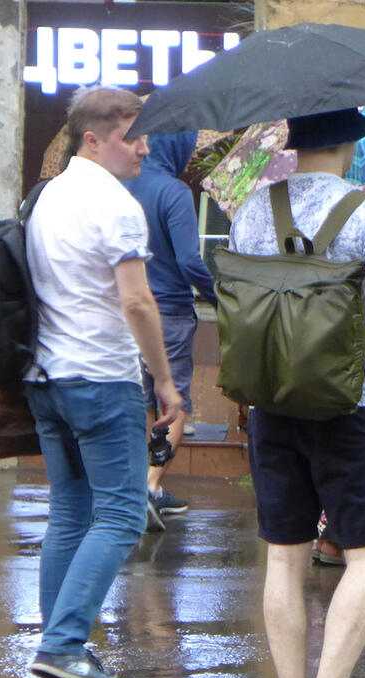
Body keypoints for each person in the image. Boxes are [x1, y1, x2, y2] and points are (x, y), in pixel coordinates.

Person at [228, 107, 365, 678]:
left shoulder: (251, 208)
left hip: (272, 402)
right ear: (351, 143)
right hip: (350, 405)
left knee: (286, 553)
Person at [24, 86, 182, 678]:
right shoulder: (115, 204)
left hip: (47, 377)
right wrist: (164, 382)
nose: (144, 149)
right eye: (131, 137)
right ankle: (64, 646)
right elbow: (137, 301)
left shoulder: (46, 195)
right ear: (93, 139)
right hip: (100, 377)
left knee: (70, 512)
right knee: (120, 514)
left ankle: (60, 648)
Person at [123, 131, 219, 530]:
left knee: (143, 403)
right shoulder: (174, 192)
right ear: (177, 147)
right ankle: (149, 485)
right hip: (169, 315)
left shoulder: (121, 185)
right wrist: (218, 297)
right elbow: (189, 261)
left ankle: (143, 488)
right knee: (174, 404)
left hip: (125, 312)